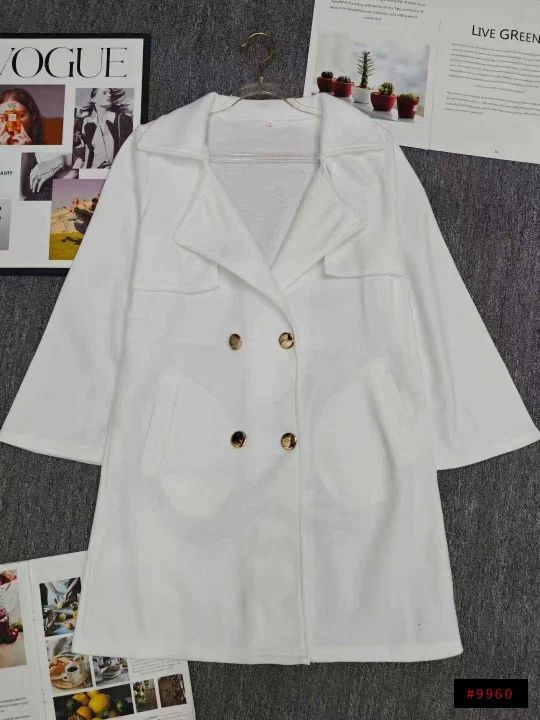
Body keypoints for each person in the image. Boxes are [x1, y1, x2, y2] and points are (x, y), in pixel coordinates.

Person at [72, 88, 133, 170]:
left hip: (114, 173)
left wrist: (117, 164)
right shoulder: (89, 125)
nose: (109, 95)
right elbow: (89, 153)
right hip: (94, 172)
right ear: (93, 99)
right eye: (104, 93)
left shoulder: (124, 120)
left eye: (110, 93)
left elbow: (130, 152)